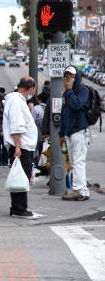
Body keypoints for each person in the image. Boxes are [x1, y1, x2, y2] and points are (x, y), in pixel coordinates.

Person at [2, 76, 42, 219]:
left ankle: (17, 207)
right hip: (21, 147)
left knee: (21, 177)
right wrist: (18, 147)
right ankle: (20, 209)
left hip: (22, 146)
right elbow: (16, 126)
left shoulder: (16, 101)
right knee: (21, 177)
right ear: (30, 88)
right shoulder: (17, 102)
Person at [59, 66, 91, 201]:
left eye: (71, 76)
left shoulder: (82, 90)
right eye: (66, 76)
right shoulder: (66, 93)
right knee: (73, 161)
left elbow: (77, 104)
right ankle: (79, 188)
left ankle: (80, 190)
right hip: (69, 132)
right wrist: (61, 134)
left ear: (76, 77)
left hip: (79, 130)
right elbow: (64, 113)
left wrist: (69, 90)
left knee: (78, 161)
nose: (68, 79)